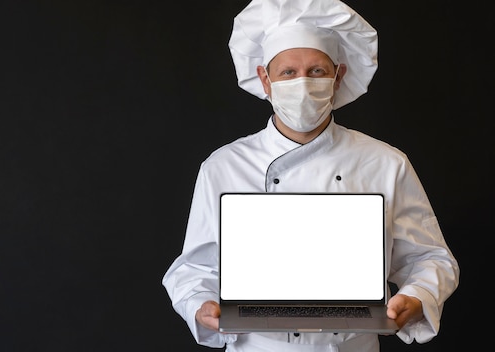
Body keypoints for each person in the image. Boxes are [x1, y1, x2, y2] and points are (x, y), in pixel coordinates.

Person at [161, 0, 460, 351]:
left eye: (317, 71)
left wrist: (416, 296)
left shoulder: (385, 162)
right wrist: (201, 306)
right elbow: (194, 270)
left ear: (338, 77)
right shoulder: (224, 165)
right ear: (265, 79)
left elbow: (430, 258)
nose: (302, 83)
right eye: (288, 72)